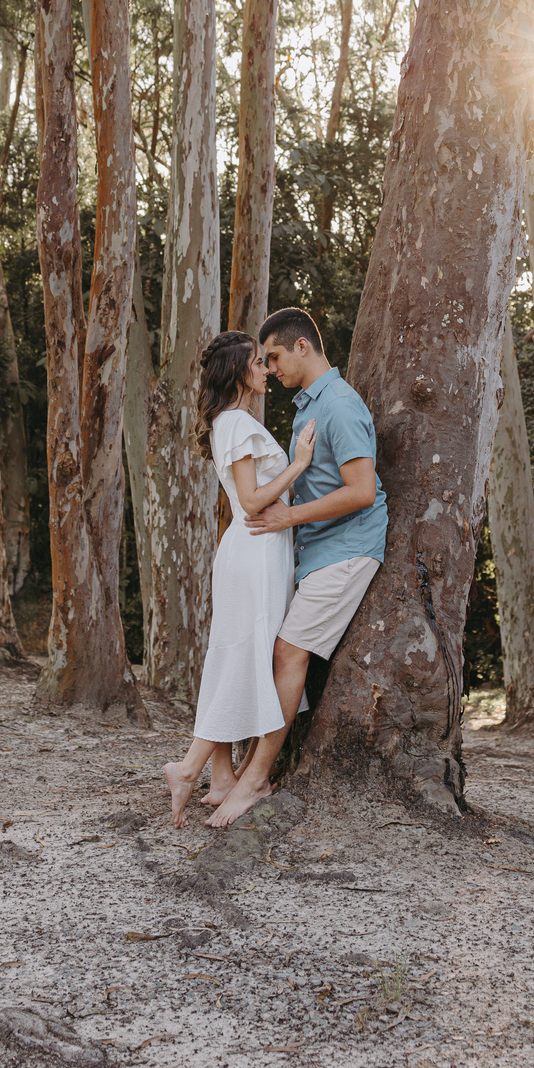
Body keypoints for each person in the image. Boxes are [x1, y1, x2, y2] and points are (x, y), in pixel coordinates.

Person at [206, 306, 387, 828]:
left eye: (276, 356)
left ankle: (256, 779)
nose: (271, 368)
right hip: (316, 551)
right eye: (263, 360)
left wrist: (287, 518)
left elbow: (361, 492)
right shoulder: (310, 405)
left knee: (287, 652)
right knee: (268, 650)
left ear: (303, 347)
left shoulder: (341, 405)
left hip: (348, 548)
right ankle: (243, 769)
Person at [163, 331, 316, 828]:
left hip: (258, 551)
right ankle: (188, 769)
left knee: (234, 655)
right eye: (257, 362)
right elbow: (251, 502)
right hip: (255, 550)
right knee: (243, 658)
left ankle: (221, 776)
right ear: (237, 372)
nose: (266, 370)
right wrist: (298, 465)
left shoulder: (232, 423)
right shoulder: (235, 424)